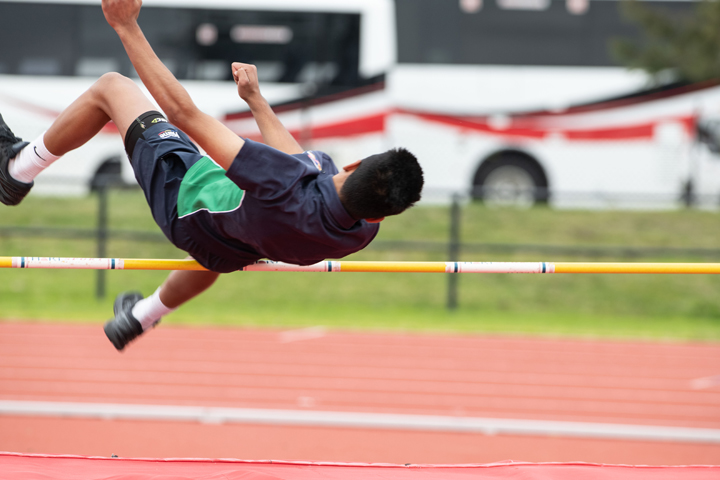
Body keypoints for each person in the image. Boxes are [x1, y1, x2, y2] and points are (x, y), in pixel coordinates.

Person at [0, 0, 424, 351]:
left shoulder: (283, 182)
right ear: (384, 215)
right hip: (229, 246)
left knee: (113, 87)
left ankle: (18, 170)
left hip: (182, 199)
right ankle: (140, 318)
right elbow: (299, 162)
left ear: (353, 165)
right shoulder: (360, 232)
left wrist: (126, 26)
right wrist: (256, 101)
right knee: (230, 242)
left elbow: (184, 115)